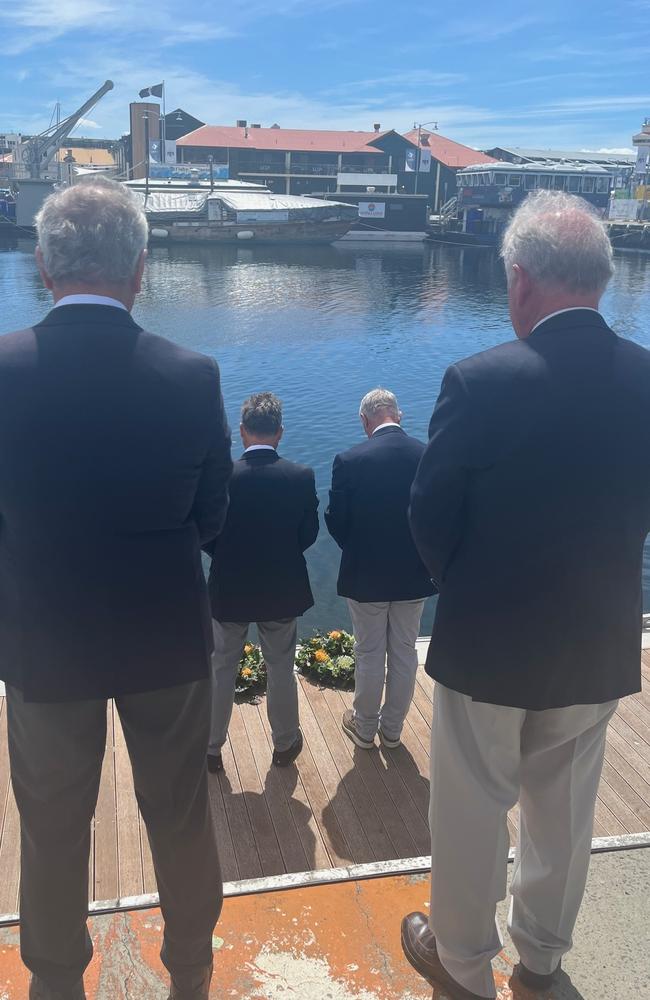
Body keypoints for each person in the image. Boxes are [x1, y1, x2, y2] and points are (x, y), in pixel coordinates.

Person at [401, 191, 650, 999]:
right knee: (565, 815)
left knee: (471, 814)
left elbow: (428, 516)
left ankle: (463, 966)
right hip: (598, 638)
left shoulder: (478, 381)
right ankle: (540, 960)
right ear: (602, 281)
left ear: (519, 281)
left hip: (489, 646)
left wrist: (465, 586)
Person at [0, 178, 233, 1000]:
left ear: (43, 264)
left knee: (53, 825)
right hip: (164, 635)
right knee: (179, 815)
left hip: (39, 642)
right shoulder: (192, 373)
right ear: (140, 268)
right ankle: (191, 976)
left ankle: (57, 983)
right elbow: (212, 512)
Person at [206, 392, 319, 772]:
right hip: (280, 590)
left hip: (229, 589)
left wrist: (228, 556)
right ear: (280, 433)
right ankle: (285, 745)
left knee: (221, 668)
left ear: (242, 432)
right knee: (281, 667)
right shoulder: (300, 477)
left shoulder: (222, 478)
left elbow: (206, 533)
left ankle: (211, 748)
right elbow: (308, 534)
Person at [325, 389, 434, 750]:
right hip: (415, 574)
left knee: (369, 652)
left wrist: (358, 549)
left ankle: (365, 727)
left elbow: (337, 521)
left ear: (364, 420)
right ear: (398, 416)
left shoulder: (349, 459)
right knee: (404, 651)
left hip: (365, 575)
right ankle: (392, 731)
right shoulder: (426, 455)